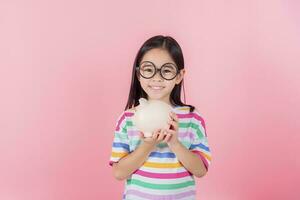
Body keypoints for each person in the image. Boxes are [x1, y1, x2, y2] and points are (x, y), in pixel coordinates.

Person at [109, 35, 212, 200]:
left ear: (179, 76)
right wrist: (147, 146)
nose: (157, 78)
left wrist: (175, 143)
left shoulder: (192, 118)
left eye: (166, 70)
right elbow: (119, 173)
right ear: (138, 74)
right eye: (149, 69)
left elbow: (201, 170)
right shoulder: (128, 119)